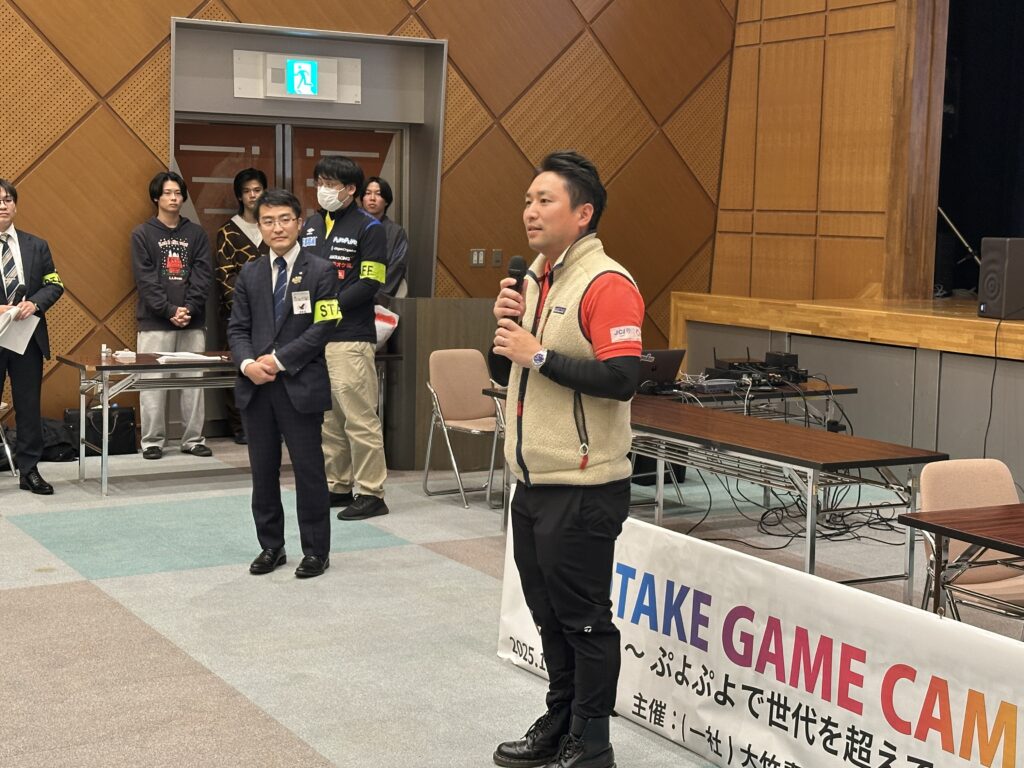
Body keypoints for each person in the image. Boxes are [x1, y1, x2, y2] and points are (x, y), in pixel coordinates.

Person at [488, 151, 644, 768]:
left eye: (544, 200)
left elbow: (623, 378)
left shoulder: (607, 284)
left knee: (584, 620)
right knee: (548, 614)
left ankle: (592, 740)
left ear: (583, 213)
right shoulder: (534, 279)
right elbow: (510, 369)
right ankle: (560, 719)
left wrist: (538, 355)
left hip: (584, 484)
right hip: (532, 480)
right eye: (527, 200)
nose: (530, 211)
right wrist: (507, 335)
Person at [228, 188, 340, 579]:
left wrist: (278, 360)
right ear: (259, 226)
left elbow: (324, 325)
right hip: (256, 388)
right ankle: (271, 546)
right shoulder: (250, 273)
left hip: (300, 384)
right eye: (268, 221)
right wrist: (247, 364)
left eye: (284, 220)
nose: (277, 228)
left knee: (309, 472)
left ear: (299, 223)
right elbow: (237, 328)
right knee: (263, 473)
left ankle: (316, 551)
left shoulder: (322, 271)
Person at [301, 156, 389, 520]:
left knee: (359, 417)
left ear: (350, 189)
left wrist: (328, 308)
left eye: (330, 184)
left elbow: (371, 282)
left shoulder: (369, 227)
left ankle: (371, 492)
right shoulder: (310, 224)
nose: (323, 190)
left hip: (350, 336)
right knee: (328, 419)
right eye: (319, 182)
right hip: (314, 338)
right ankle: (338, 485)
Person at [131, 171, 214, 460]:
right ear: (156, 197)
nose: (173, 198)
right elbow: (145, 280)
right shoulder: (142, 234)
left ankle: (193, 439)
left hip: (192, 321)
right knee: (152, 384)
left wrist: (188, 308)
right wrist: (168, 310)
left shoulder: (196, 234)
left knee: (193, 383)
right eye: (167, 193)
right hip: (154, 322)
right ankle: (152, 441)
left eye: (178, 193)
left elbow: (203, 276)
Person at [0, 179, 64, 495]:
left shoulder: (36, 245)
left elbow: (55, 283)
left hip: (26, 337)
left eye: (8, 199)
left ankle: (29, 471)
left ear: (15, 205)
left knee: (28, 406)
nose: (3, 205)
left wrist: (35, 303)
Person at [215, 167, 269, 444]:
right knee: (238, 368)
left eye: (257, 190)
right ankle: (240, 426)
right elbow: (225, 276)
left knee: (270, 367)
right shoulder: (228, 231)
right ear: (239, 195)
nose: (252, 195)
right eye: (247, 191)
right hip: (238, 316)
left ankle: (270, 424)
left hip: (274, 316)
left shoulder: (272, 228)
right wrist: (248, 309)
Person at [360, 176, 408, 300]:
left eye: (378, 194)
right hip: (351, 294)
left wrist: (375, 297)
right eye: (367, 193)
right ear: (362, 199)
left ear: (386, 201)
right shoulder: (352, 227)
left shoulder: (396, 232)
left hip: (379, 296)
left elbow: (397, 267)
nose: (372, 198)